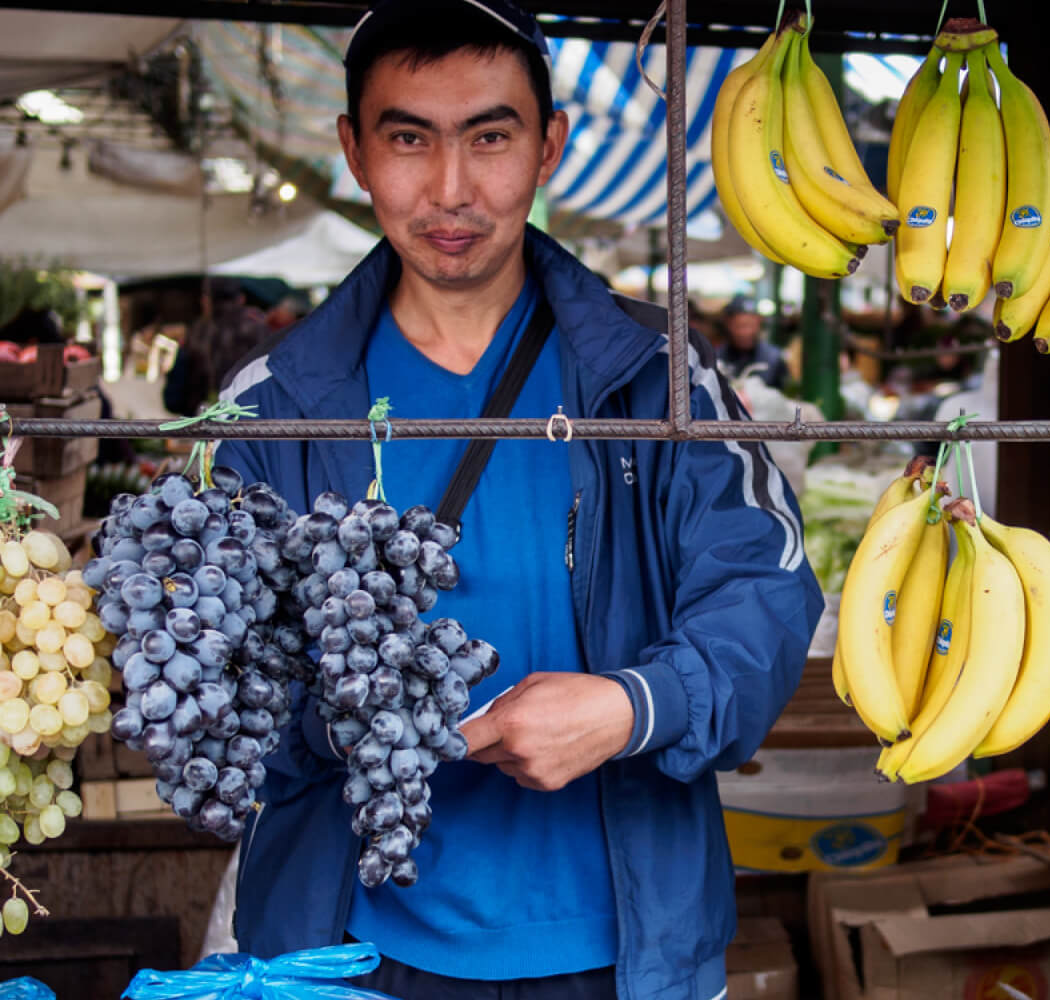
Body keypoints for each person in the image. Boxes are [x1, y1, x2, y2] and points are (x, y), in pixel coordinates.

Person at [213, 2, 822, 997]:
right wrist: (356, 719)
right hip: (351, 948)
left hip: (623, 952)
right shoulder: (271, 407)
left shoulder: (658, 379)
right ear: (354, 152)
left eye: (489, 137)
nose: (451, 188)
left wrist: (635, 705)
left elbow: (766, 591)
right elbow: (224, 677)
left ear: (549, 147)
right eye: (409, 138)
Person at [162, 277, 271, 416]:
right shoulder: (256, 326)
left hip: (207, 410)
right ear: (240, 298)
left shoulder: (200, 329)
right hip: (250, 409)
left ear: (208, 300)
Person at [717, 296, 787, 389]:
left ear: (759, 323)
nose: (746, 332)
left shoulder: (774, 357)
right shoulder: (715, 357)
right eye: (740, 326)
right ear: (728, 324)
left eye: (751, 325)